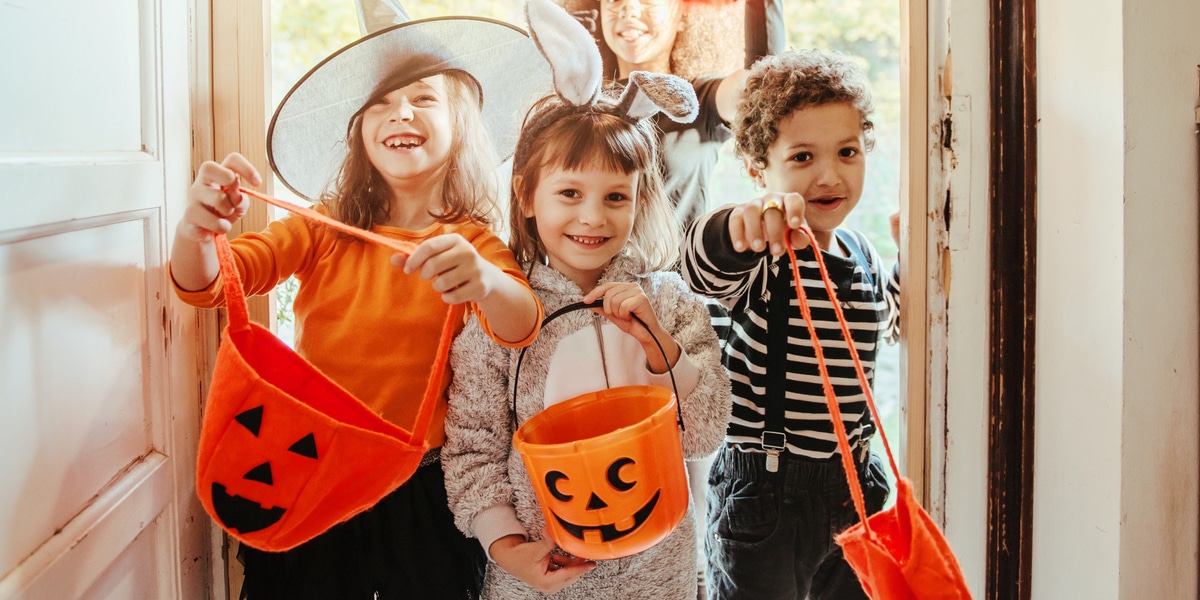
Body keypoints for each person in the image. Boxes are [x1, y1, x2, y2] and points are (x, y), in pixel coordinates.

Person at [170, 17, 550, 600]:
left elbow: (522, 326)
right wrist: (198, 231)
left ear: (461, 127)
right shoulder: (324, 228)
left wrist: (483, 284)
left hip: (417, 485)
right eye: (382, 104)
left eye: (424, 99)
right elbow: (212, 283)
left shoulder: (472, 245)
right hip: (310, 469)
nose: (401, 113)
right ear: (359, 133)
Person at [441, 3, 730, 596]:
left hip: (660, 577)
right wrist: (508, 549)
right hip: (536, 580)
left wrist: (660, 347)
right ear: (526, 196)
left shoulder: (670, 302)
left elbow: (704, 433)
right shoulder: (500, 316)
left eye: (616, 197)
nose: (592, 217)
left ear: (639, 200)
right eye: (569, 192)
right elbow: (472, 452)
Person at [679, 49, 901, 600]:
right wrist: (739, 224)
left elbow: (887, 325)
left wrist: (908, 261)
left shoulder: (862, 252)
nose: (830, 174)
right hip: (767, 494)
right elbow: (699, 266)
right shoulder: (762, 252)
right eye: (802, 157)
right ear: (759, 170)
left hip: (856, 486)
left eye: (847, 151)